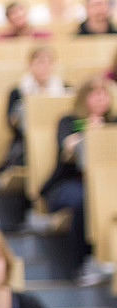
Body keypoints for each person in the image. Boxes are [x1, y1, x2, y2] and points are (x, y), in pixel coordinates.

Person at [41, 76, 115, 286]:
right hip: (68, 184)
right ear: (84, 98)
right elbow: (68, 146)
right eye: (95, 93)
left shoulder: (113, 123)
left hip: (107, 184)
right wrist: (90, 132)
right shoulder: (69, 121)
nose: (101, 98)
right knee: (85, 199)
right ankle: (82, 263)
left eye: (104, 93)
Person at [0, 46, 67, 173]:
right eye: (39, 62)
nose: (44, 67)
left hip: (57, 136)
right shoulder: (18, 91)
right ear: (30, 65)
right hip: (26, 140)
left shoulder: (65, 88)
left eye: (48, 62)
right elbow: (11, 124)